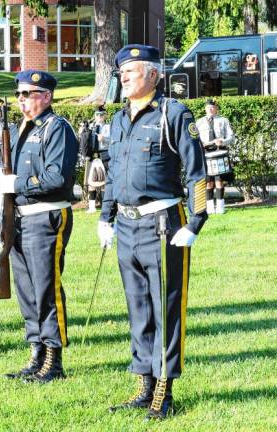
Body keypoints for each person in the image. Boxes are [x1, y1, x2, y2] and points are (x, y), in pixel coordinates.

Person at [98, 44, 208, 420]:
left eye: (132, 71)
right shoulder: (118, 119)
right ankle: (143, 381)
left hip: (163, 224)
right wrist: (105, 216)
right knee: (138, 307)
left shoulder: (172, 114)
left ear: (154, 74)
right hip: (127, 225)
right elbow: (113, 174)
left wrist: (195, 223)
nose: (124, 77)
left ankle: (165, 388)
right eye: (122, 72)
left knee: (165, 307)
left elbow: (197, 173)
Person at [0, 70, 78, 383]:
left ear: (46, 96)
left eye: (28, 93)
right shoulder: (21, 130)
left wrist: (16, 183)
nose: (21, 99)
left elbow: (56, 177)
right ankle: (37, 353)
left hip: (46, 216)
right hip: (20, 218)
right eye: (19, 94)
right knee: (27, 290)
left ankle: (54, 360)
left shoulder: (57, 128)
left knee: (46, 288)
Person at [195, 99, 235, 214]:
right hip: (206, 154)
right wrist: (200, 144)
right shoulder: (199, 122)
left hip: (220, 153)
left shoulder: (223, 120)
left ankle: (220, 207)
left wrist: (222, 141)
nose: (211, 109)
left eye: (213, 107)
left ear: (216, 109)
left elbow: (231, 137)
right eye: (209, 108)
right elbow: (195, 138)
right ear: (205, 109)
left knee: (219, 181)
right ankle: (210, 207)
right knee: (208, 182)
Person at [82, 107, 111, 214]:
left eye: (102, 115)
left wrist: (104, 139)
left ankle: (105, 206)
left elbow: (114, 141)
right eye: (98, 115)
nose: (100, 117)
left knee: (104, 182)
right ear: (95, 116)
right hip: (92, 156)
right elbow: (84, 142)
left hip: (104, 155)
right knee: (91, 182)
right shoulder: (90, 127)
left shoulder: (108, 127)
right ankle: (92, 207)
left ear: (105, 116)